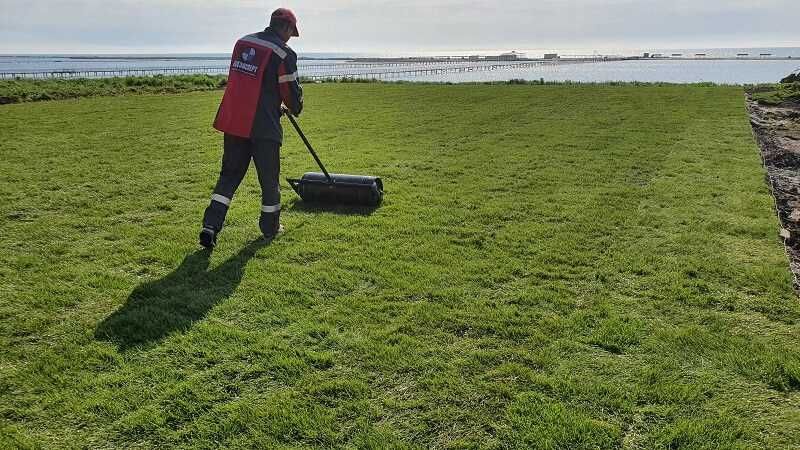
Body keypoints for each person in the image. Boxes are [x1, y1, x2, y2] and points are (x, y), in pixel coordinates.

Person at [199, 8, 304, 248]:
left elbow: (247, 82)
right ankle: (271, 228)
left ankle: (210, 225)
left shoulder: (242, 43)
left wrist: (271, 100)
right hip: (264, 126)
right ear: (287, 28)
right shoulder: (284, 53)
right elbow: (290, 94)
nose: (290, 37)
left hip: (235, 121)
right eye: (291, 32)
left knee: (228, 177)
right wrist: (294, 106)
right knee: (269, 180)